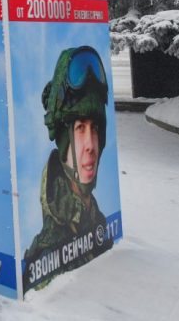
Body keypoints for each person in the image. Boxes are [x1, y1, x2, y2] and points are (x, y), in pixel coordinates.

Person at [24, 46, 112, 291]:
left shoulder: (97, 222)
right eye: (80, 128)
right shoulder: (48, 253)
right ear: (64, 144)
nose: (90, 146)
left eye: (95, 128)